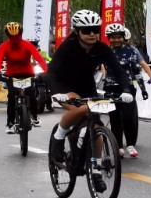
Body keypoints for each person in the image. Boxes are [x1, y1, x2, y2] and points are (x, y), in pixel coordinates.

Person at [45, 10, 128, 168]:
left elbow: (119, 71)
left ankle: (96, 167)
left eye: (95, 30)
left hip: (87, 85)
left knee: (96, 128)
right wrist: (56, 93)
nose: (92, 34)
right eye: (86, 30)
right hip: (64, 85)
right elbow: (51, 72)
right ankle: (59, 136)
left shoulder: (102, 48)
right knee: (82, 109)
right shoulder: (68, 47)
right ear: (77, 31)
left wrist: (126, 90)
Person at [105, 23, 151, 158]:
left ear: (123, 38)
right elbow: (97, 68)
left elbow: (136, 71)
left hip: (127, 89)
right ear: (109, 38)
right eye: (113, 37)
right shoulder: (105, 51)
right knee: (115, 119)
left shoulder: (131, 51)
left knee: (128, 118)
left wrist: (143, 89)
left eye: (119, 37)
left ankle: (130, 145)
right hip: (110, 88)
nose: (116, 40)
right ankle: (118, 146)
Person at [0, 22, 49, 133]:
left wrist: (45, 70)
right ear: (8, 36)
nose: (14, 39)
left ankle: (34, 116)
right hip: (11, 75)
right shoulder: (3, 46)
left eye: (17, 36)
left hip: (28, 73)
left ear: (21, 34)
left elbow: (39, 58)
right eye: (11, 36)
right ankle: (10, 123)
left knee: (31, 93)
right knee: (11, 96)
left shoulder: (27, 45)